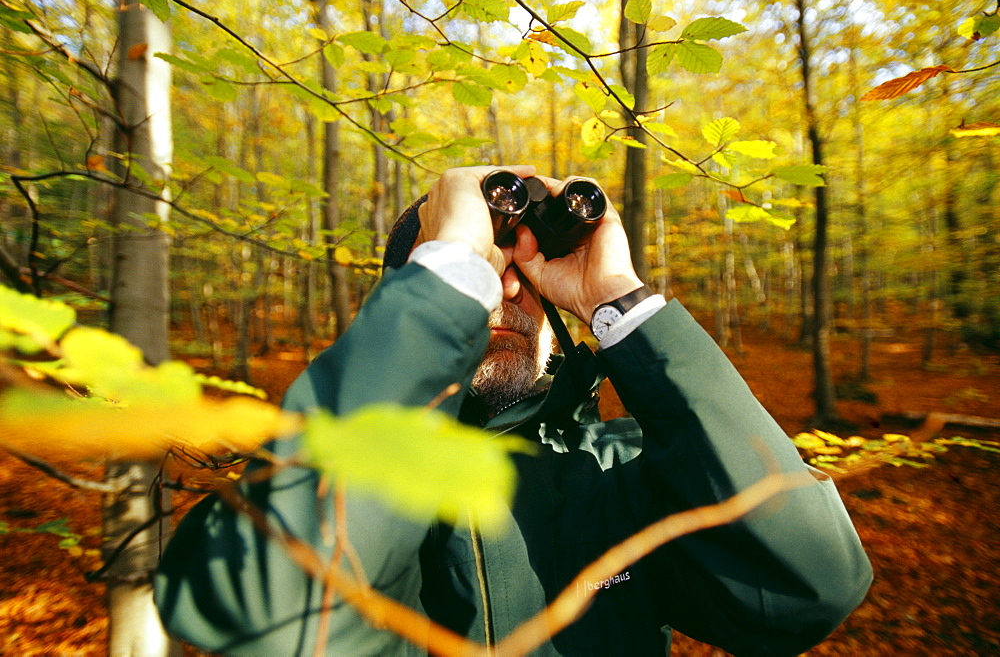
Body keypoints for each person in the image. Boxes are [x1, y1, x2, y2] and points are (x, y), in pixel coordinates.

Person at [155, 165, 872, 655]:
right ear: (420, 301)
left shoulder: (621, 477)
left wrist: (614, 297)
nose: (502, 296)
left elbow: (809, 586)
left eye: (520, 276)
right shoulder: (335, 471)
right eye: (473, 276)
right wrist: (455, 265)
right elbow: (263, 615)